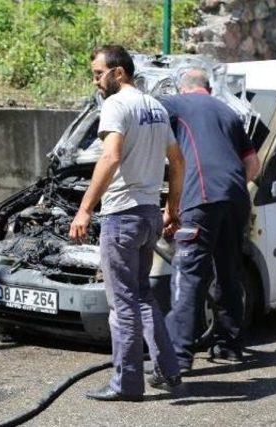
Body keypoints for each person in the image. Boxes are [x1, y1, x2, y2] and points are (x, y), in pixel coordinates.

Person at [69, 45, 185, 401]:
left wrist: (86, 208)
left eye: (99, 73)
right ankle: (168, 369)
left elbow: (111, 156)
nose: (96, 81)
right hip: (149, 214)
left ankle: (127, 383)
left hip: (122, 216)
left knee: (122, 304)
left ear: (119, 73)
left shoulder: (117, 105)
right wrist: (172, 209)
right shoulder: (155, 106)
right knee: (143, 295)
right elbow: (177, 161)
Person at [161, 68, 260, 373]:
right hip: (236, 199)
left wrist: (171, 205)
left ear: (182, 88)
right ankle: (230, 346)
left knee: (188, 273)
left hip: (201, 197)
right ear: (207, 88)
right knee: (228, 271)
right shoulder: (229, 112)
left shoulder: (174, 104)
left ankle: (177, 356)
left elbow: (144, 124)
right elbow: (252, 164)